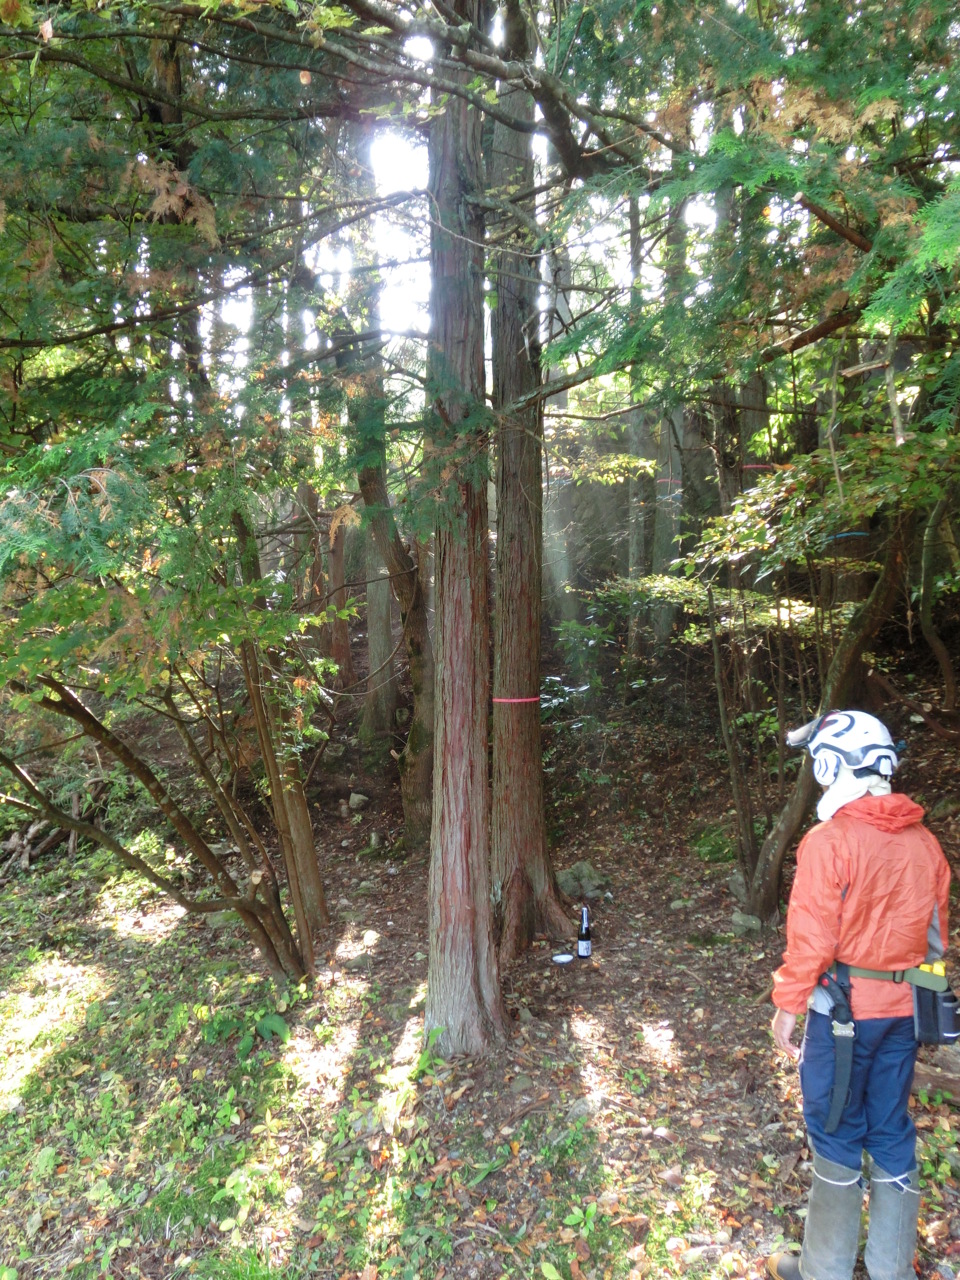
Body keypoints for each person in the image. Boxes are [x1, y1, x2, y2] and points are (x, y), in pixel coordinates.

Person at [766, 710, 951, 1280]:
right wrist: (925, 1013)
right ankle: (891, 1269)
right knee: (890, 1126)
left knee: (834, 1127)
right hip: (901, 1017)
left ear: (834, 767)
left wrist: (788, 1005)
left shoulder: (830, 841)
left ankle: (825, 1270)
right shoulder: (926, 844)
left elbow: (812, 939)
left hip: (842, 1017)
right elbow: (936, 942)